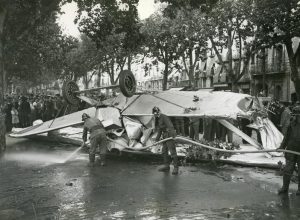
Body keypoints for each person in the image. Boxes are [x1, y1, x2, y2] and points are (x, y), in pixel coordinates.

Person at [277, 105, 300, 195]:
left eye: (297, 116)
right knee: (287, 170)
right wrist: (282, 147)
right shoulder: (292, 124)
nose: (295, 117)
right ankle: (285, 188)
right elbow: (286, 137)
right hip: (291, 150)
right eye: (294, 115)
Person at [153, 106, 179, 175]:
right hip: (164, 136)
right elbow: (160, 130)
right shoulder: (158, 119)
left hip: (169, 135)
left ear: (159, 112)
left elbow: (170, 126)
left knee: (172, 152)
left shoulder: (164, 117)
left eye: (157, 113)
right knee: (164, 151)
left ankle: (176, 168)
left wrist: (173, 135)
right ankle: (166, 166)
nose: (156, 114)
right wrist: (156, 139)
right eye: (155, 114)